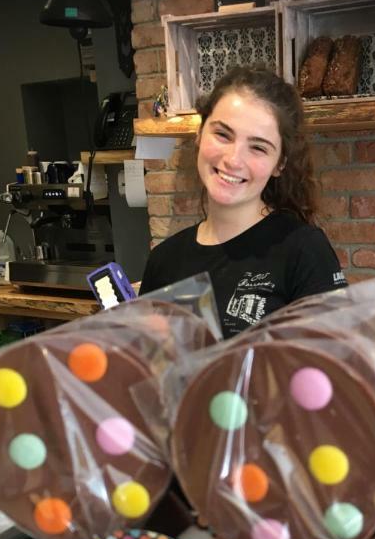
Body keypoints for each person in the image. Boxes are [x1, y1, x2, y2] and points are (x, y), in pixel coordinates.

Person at [139, 66, 347, 338]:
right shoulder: (163, 260)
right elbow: (152, 371)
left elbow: (334, 372)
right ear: (200, 135)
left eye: (258, 147)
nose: (234, 160)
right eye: (223, 135)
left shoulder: (303, 251)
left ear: (280, 164)